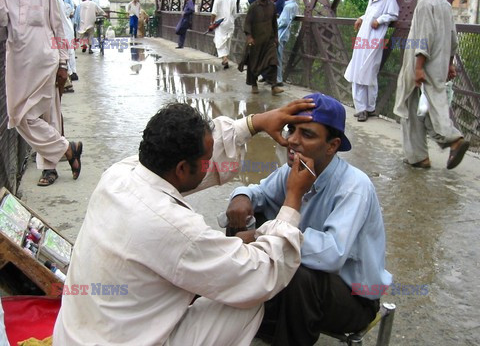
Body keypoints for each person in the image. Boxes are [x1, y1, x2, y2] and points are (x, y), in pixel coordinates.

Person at [52, 99, 318, 345]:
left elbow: (203, 158)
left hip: (76, 334)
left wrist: (255, 123)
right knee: (247, 300)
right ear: (181, 169)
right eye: (205, 162)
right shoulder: (176, 228)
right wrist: (293, 197)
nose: (210, 166)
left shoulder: (119, 174)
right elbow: (262, 273)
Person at [226, 93, 392, 345]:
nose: (292, 140)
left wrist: (260, 234)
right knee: (242, 218)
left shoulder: (354, 187)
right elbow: (258, 193)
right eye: (291, 129)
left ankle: (282, 333)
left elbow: (331, 254)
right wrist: (242, 196)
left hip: (354, 297)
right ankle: (254, 317)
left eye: (307, 134)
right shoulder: (291, 170)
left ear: (332, 146)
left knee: (299, 275)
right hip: (311, 286)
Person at [0, 0, 83, 187]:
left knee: (49, 114)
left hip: (46, 65)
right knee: (17, 116)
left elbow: (59, 29)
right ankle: (67, 148)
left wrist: (63, 64)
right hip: (17, 68)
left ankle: (49, 168)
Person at [393, 0, 469, 170]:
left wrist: (418, 67)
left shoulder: (424, 3)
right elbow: (453, 38)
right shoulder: (444, 3)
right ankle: (421, 155)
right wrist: (449, 63)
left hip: (421, 63)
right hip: (439, 62)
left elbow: (424, 37)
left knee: (410, 108)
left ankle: (449, 141)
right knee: (435, 103)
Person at [344, 0, 399, 122]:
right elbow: (370, 13)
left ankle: (368, 108)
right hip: (362, 39)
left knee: (368, 72)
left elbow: (393, 14)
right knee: (358, 71)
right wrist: (361, 18)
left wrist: (380, 20)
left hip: (374, 40)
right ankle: (362, 109)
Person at [239, 0, 283, 95]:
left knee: (273, 62)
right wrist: (249, 37)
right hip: (256, 41)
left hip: (269, 40)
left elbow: (274, 24)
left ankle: (274, 86)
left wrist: (276, 38)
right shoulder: (253, 7)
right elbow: (247, 23)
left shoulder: (272, 6)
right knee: (254, 63)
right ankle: (254, 84)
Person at [276, 0, 298, 87]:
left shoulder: (287, 6)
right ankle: (278, 78)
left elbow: (283, 21)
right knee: (279, 56)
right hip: (286, 34)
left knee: (277, 56)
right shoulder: (295, 5)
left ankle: (278, 78)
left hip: (280, 33)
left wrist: (274, 23)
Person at [210, 0, 236, 69]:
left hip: (220, 23)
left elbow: (214, 13)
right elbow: (234, 13)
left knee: (219, 41)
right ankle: (226, 57)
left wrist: (212, 23)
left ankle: (224, 59)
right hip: (230, 22)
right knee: (227, 41)